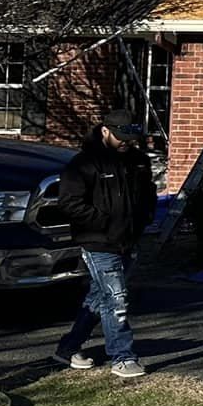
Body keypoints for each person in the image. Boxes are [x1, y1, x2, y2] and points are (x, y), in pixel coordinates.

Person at [51, 108, 158, 378]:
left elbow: (148, 196)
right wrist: (102, 222)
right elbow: (69, 203)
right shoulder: (83, 164)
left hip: (128, 240)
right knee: (117, 299)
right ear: (105, 131)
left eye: (130, 137)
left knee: (101, 298)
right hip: (98, 242)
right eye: (120, 136)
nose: (126, 142)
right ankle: (122, 357)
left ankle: (68, 346)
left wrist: (143, 220)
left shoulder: (138, 161)